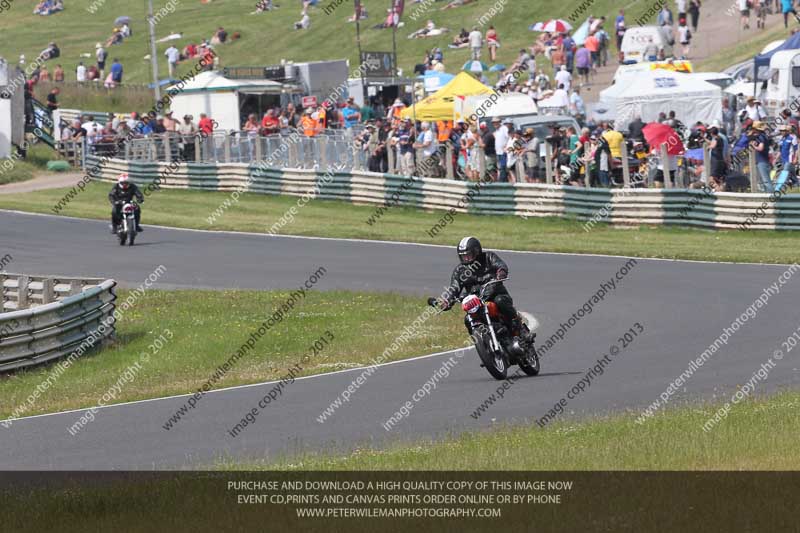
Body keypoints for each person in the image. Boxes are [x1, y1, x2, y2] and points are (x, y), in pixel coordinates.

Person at [431, 237, 532, 342]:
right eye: (463, 256)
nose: (466, 258)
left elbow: (500, 265)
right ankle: (481, 342)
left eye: (468, 255)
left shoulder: (488, 257)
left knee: (501, 301)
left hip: (495, 294)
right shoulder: (459, 271)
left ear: (477, 251)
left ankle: (521, 330)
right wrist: (447, 300)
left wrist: (501, 272)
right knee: (467, 319)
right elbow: (454, 287)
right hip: (476, 302)